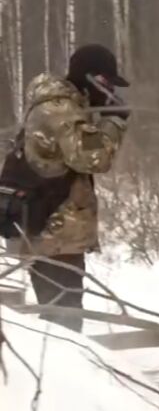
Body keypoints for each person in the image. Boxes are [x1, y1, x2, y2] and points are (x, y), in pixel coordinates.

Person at [0, 44, 130, 332]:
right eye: (107, 84)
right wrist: (114, 122)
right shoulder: (60, 110)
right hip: (52, 234)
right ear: (93, 78)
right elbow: (95, 158)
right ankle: (61, 375)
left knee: (63, 313)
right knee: (63, 321)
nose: (109, 92)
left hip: (54, 231)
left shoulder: (64, 106)